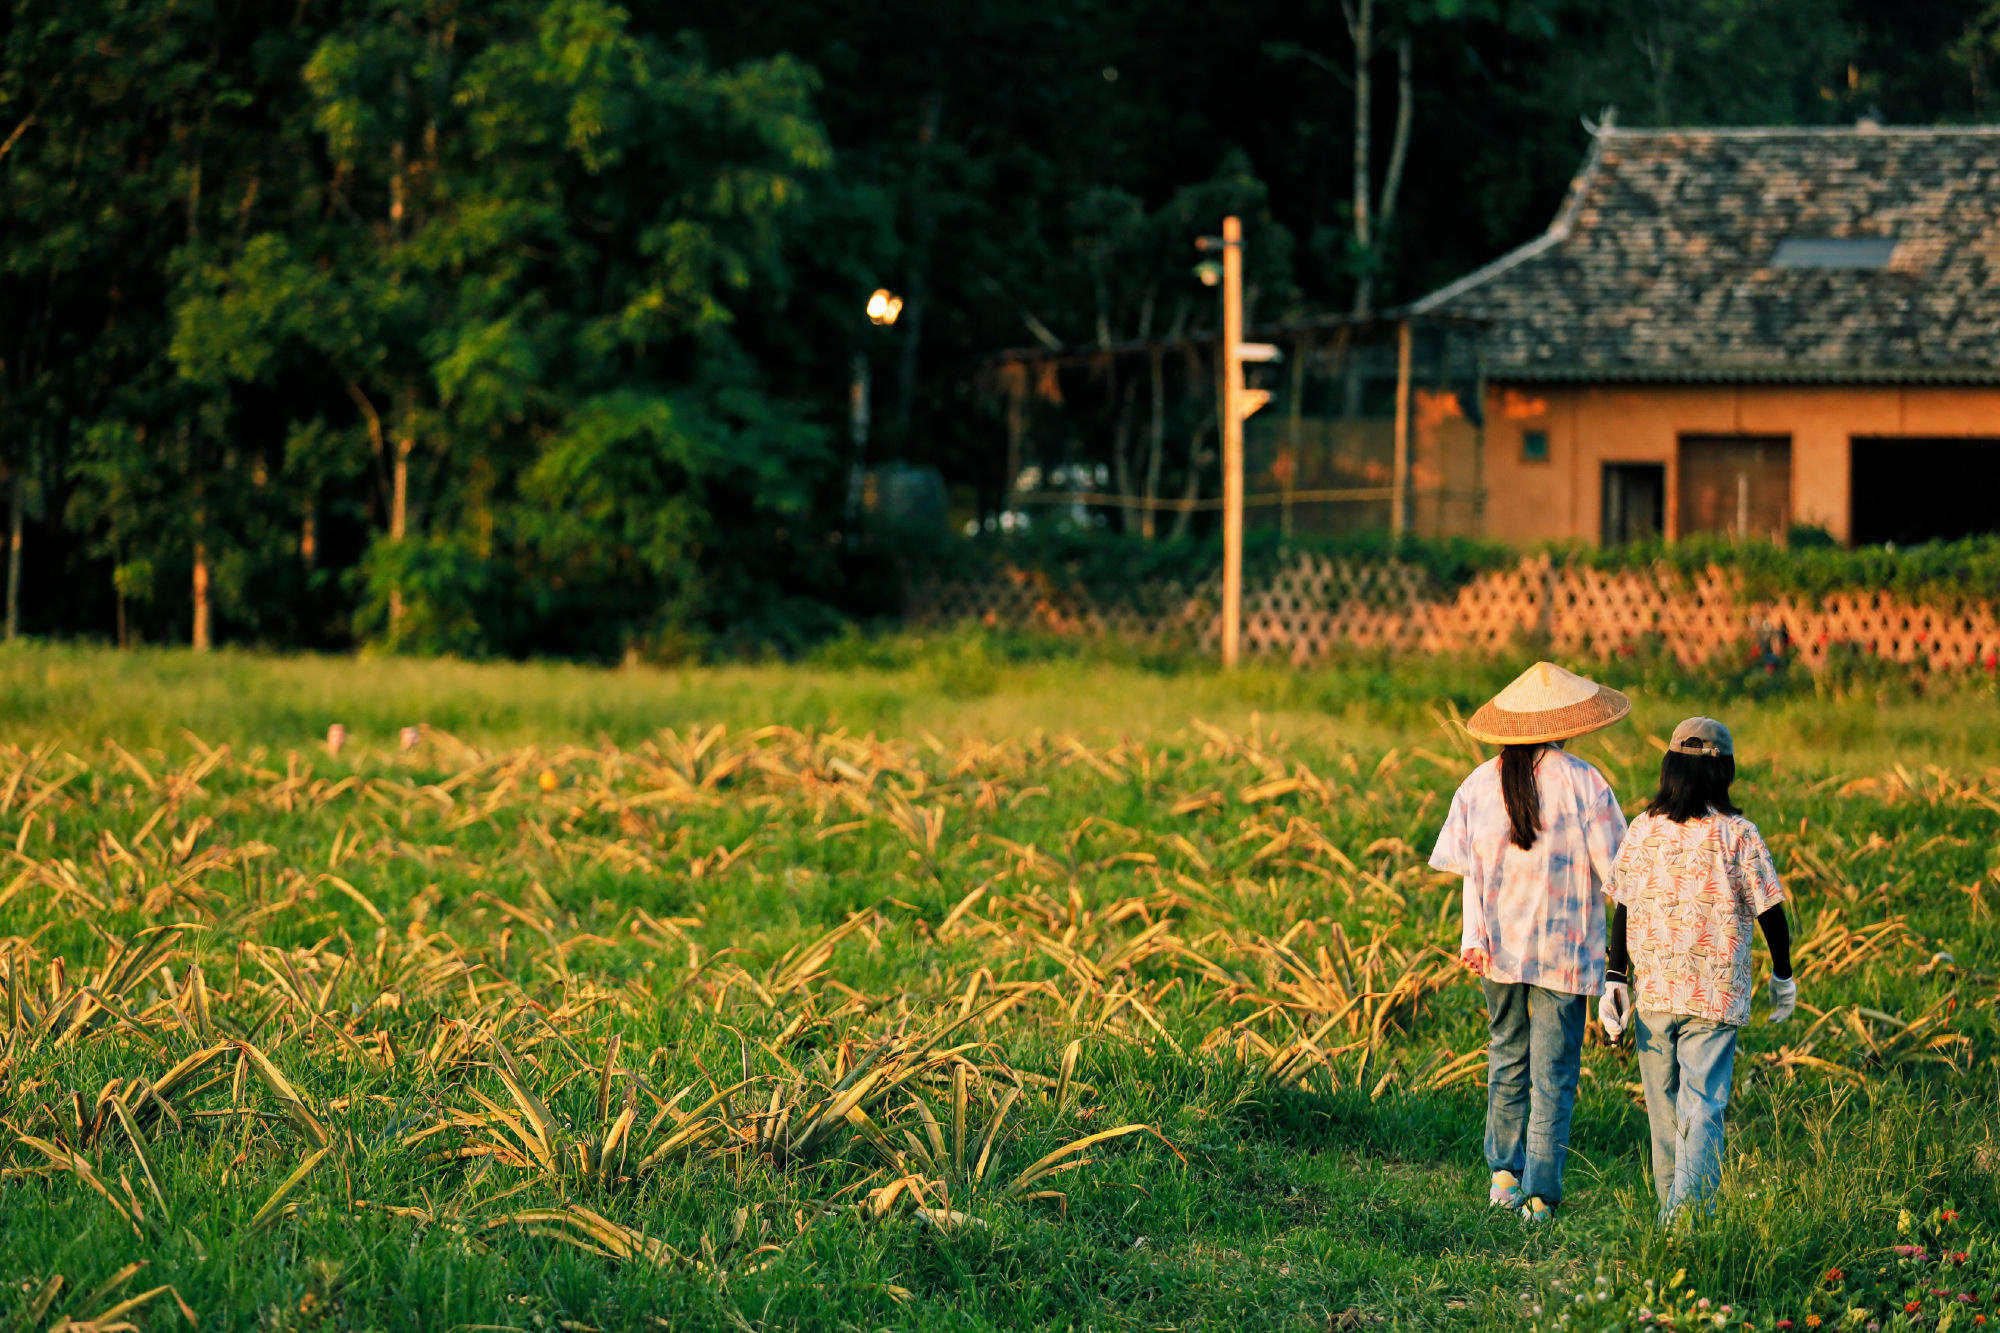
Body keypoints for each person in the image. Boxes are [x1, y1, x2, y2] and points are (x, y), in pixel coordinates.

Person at [1430, 662, 1631, 1223]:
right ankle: (1541, 1196)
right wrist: (1624, 965)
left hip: (1498, 949)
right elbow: (1621, 877)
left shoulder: (1477, 784)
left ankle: (1503, 1177)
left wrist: (1472, 937)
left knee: (1507, 1056)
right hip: (1565, 954)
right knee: (1555, 1071)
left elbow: (1469, 873)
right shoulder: (1585, 783)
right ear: (1566, 724)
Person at [1598, 715, 1796, 1221]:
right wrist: (1783, 973)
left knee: (1664, 1110)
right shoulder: (1739, 835)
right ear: (1723, 771)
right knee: (1701, 1106)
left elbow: (1622, 906)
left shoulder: (1643, 829)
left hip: (1655, 991)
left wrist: (1615, 977)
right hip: (1714, 993)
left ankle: (1673, 1215)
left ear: (1670, 768)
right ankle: (1685, 1223)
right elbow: (1771, 912)